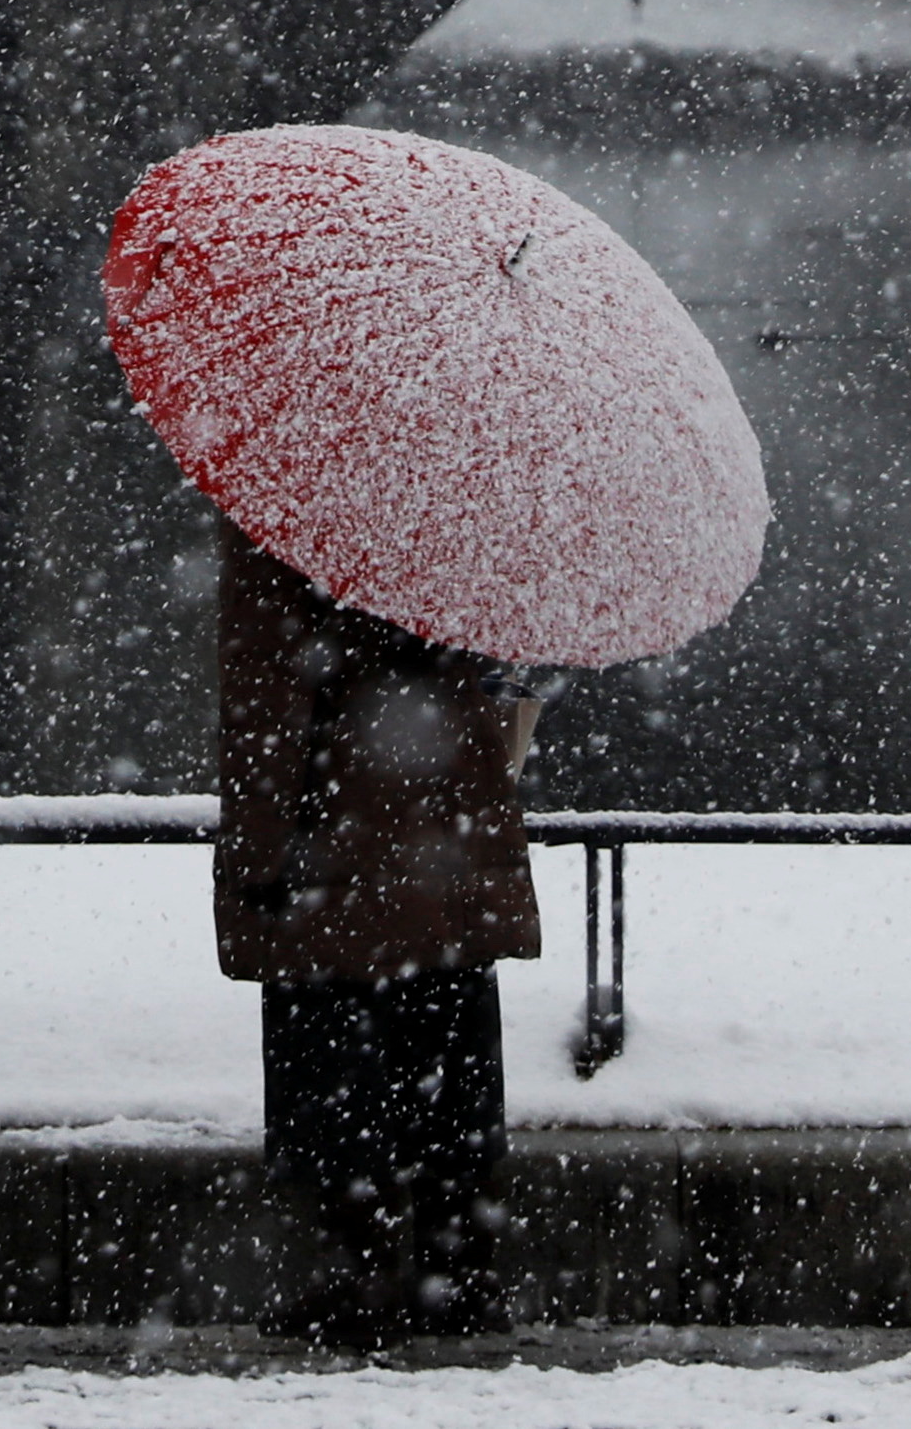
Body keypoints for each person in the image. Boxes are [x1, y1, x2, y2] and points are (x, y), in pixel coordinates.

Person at [214, 513, 540, 1340]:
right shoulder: (464, 490)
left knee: (333, 1062)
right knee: (448, 1038)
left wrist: (258, 850)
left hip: (331, 837)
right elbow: (506, 661)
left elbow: (266, 691)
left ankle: (361, 1273)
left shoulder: (277, 498)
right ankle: (456, 1268)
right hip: (446, 822)